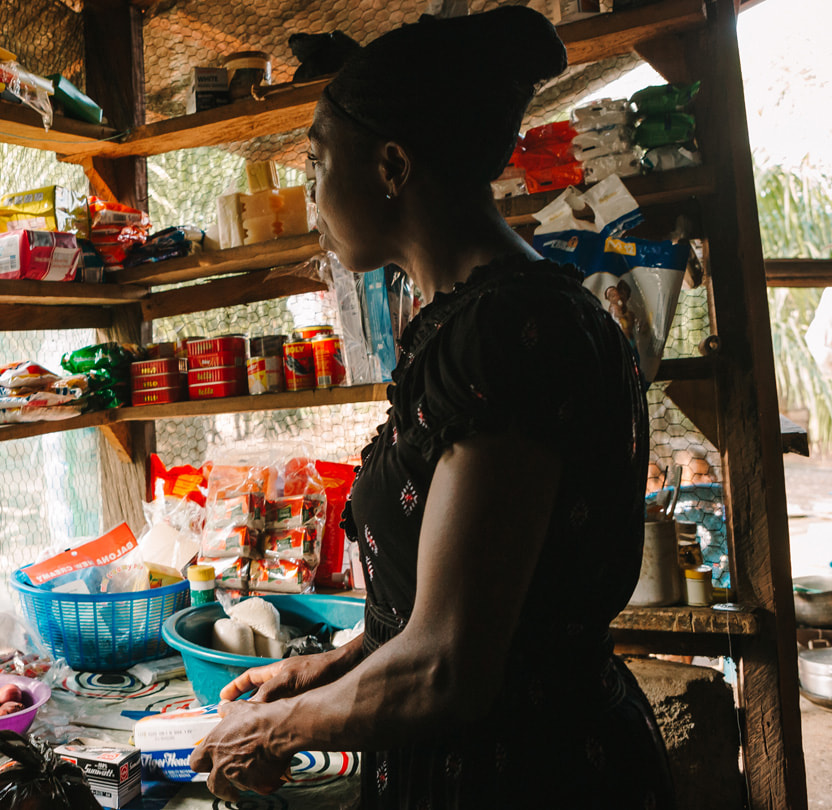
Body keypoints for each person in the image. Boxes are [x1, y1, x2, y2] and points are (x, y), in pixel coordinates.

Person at [189, 7, 674, 808]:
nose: (312, 196)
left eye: (316, 164)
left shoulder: (506, 338)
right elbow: (455, 614)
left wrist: (277, 731)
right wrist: (326, 669)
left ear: (389, 166)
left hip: (527, 781)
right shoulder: (484, 319)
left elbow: (449, 667)